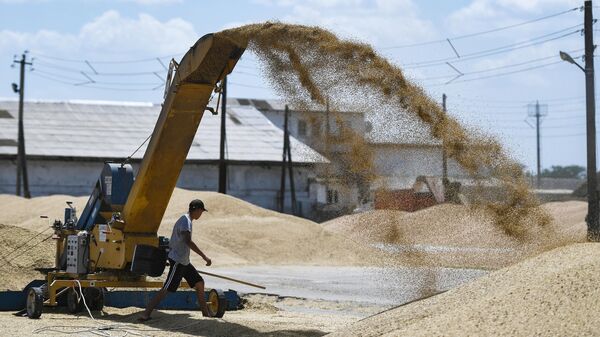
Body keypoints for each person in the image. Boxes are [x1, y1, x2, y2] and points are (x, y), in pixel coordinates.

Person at [139, 199, 212, 321]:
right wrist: (204, 256)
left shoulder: (187, 220)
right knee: (166, 289)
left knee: (199, 283)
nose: (201, 214)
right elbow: (187, 241)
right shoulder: (185, 221)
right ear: (197, 210)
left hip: (184, 261)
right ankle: (146, 313)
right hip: (177, 261)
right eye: (201, 211)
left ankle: (206, 314)